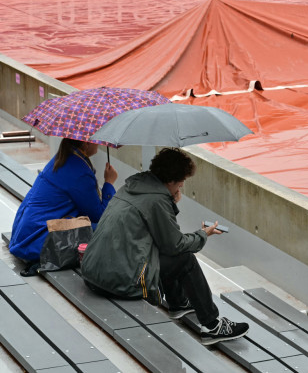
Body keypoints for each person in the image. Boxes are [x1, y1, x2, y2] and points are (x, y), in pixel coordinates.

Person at [80, 148, 249, 345]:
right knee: (185, 258)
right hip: (119, 282)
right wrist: (204, 234)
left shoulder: (134, 186)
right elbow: (174, 245)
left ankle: (178, 303)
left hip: (93, 273)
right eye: (181, 182)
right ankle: (212, 326)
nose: (182, 186)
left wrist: (170, 202)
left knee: (161, 249)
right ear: (171, 181)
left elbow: (160, 232)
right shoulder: (157, 199)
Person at [9, 138, 117, 276]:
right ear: (86, 143)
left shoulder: (63, 158)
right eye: (97, 140)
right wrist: (109, 183)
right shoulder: (79, 171)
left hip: (24, 236)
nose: (100, 143)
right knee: (107, 230)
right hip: (38, 242)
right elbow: (100, 216)